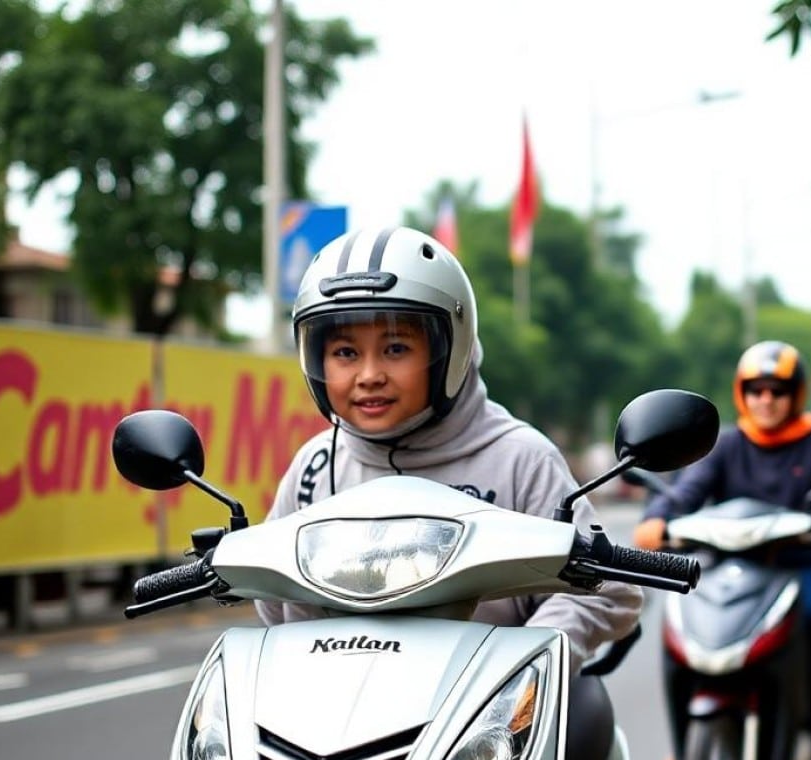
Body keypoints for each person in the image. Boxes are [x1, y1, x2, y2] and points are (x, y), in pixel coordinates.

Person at [256, 225, 643, 666]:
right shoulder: (316, 466)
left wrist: (525, 662)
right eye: (345, 353)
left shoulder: (517, 458)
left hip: (488, 720)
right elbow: (275, 604)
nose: (368, 375)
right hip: (341, 714)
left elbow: (610, 592)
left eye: (396, 348)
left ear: (451, 349)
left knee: (586, 724)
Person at [633, 340, 811, 760]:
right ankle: (686, 736)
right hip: (732, 567)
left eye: (778, 390)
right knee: (680, 622)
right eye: (756, 389)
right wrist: (658, 517)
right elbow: (686, 492)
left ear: (796, 394)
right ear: (741, 393)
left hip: (804, 563)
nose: (766, 399)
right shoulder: (726, 444)